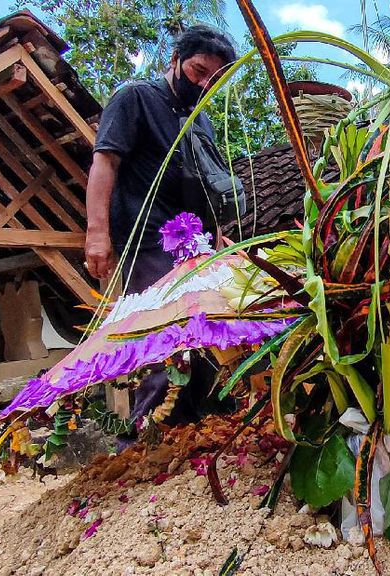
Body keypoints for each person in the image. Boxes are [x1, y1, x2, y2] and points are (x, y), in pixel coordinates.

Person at [84, 25, 237, 437]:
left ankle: (194, 429)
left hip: (197, 244)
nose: (203, 84)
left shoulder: (200, 119)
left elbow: (208, 180)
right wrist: (97, 234)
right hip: (149, 239)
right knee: (162, 339)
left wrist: (219, 234)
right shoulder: (135, 97)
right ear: (174, 60)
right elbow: (105, 163)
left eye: (214, 80)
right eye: (196, 71)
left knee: (208, 335)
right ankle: (140, 438)